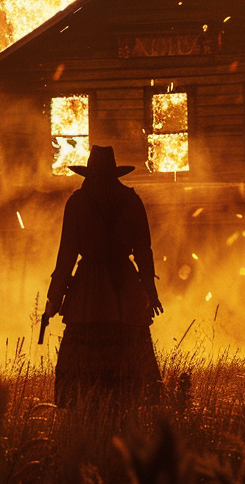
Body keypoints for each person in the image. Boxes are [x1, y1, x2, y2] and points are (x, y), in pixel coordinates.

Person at [44, 146, 163, 410]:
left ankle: (86, 415)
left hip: (87, 292)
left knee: (82, 362)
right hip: (125, 291)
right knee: (130, 356)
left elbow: (67, 255)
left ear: (89, 173)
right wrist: (150, 293)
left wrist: (54, 298)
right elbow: (144, 252)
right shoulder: (132, 200)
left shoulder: (76, 202)